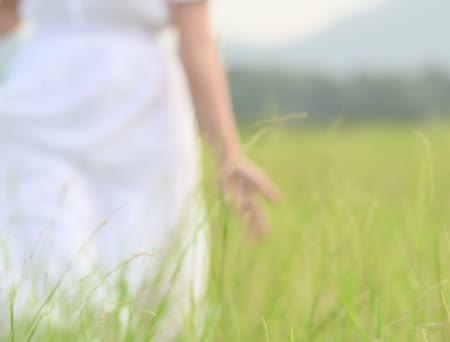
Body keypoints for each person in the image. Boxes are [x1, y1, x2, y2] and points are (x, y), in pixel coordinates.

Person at [0, 0, 280, 338]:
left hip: (142, 122)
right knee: (42, 279)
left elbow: (197, 40)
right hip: (37, 106)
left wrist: (229, 155)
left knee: (145, 276)